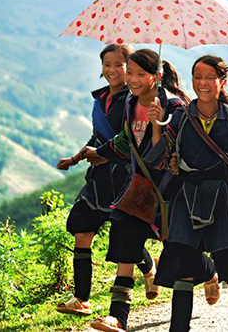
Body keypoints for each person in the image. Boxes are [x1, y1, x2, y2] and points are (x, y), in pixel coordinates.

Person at [143, 54, 228, 331]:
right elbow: (160, 158)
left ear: (222, 82)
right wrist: (157, 124)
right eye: (197, 77)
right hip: (186, 197)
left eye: (209, 78)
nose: (202, 83)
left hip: (222, 197)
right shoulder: (179, 117)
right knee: (182, 262)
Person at [82, 48, 192, 332]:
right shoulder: (131, 103)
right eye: (129, 72)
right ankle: (118, 316)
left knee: (177, 249)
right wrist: (97, 152)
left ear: (155, 76)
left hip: (169, 189)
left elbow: (166, 154)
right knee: (125, 240)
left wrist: (158, 126)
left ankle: (211, 272)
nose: (131, 78)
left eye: (139, 74)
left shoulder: (176, 107)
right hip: (140, 186)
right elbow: (125, 140)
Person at [55, 44, 160, 317]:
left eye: (119, 65)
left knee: (124, 237)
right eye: (107, 64)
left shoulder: (136, 101)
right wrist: (75, 159)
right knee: (81, 229)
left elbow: (129, 141)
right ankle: (81, 299)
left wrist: (103, 154)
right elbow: (96, 139)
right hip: (99, 180)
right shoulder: (100, 100)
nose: (112, 70)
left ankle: (148, 268)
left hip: (124, 180)